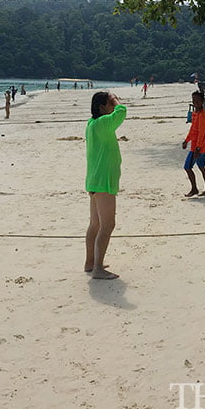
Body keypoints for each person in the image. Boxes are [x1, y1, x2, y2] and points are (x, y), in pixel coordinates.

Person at [85, 91, 126, 280]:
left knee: (95, 224)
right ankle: (98, 268)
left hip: (95, 180)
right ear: (102, 108)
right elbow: (122, 112)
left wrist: (111, 101)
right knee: (108, 224)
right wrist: (115, 99)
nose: (112, 106)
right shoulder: (101, 123)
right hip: (103, 182)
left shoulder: (92, 124)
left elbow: (116, 114)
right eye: (109, 104)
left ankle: (90, 262)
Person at [183, 91, 205, 196]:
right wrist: (186, 140)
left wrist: (198, 148)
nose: (195, 102)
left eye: (197, 101)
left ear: (202, 101)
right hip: (196, 146)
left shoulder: (203, 115)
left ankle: (195, 189)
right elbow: (193, 130)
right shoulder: (195, 113)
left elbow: (202, 133)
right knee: (201, 167)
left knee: (187, 167)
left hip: (198, 148)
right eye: (193, 100)